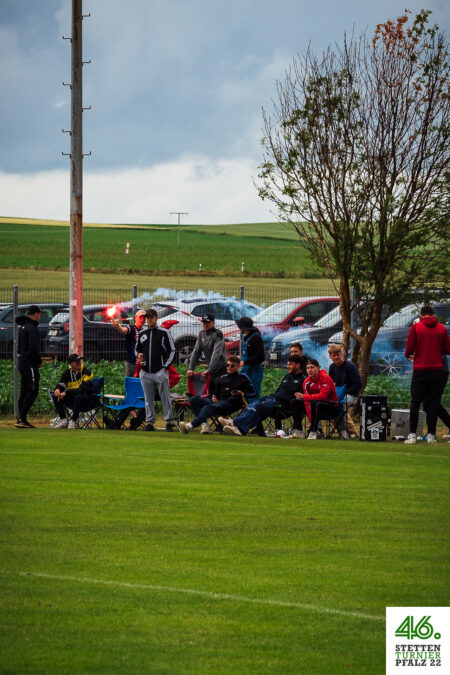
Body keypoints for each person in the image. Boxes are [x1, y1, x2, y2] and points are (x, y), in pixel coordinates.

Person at [221, 354, 306, 437]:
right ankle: (240, 426)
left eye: (290, 364)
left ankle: (235, 424)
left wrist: (300, 396)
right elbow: (279, 391)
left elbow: (301, 399)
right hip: (272, 399)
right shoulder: (287, 376)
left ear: (298, 365)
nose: (288, 366)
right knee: (252, 404)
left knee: (257, 406)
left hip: (281, 406)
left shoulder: (303, 380)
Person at [404, 305, 450, 444]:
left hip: (420, 368)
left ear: (421, 315)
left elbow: (410, 347)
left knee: (415, 401)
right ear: (433, 314)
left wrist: (408, 354)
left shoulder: (416, 327)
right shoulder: (442, 328)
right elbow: (447, 348)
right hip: (437, 369)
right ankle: (431, 435)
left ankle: (412, 434)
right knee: (433, 403)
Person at [179, 355, 256, 434]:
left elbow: (253, 393)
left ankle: (190, 426)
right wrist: (214, 397)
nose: (229, 367)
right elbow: (215, 393)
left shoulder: (243, 377)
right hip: (219, 402)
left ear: (238, 367)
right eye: (228, 365)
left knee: (207, 408)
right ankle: (204, 424)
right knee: (194, 399)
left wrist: (242, 393)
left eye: (232, 365)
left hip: (231, 403)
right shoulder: (222, 378)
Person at [135, 308, 176, 432]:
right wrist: (138, 355)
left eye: (151, 317)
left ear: (156, 318)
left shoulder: (164, 332)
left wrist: (166, 366)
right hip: (145, 372)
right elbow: (137, 349)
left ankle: (168, 422)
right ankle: (149, 423)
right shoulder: (142, 333)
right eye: (147, 317)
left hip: (160, 371)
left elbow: (173, 350)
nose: (149, 319)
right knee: (148, 399)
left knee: (165, 398)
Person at [52, 354, 97, 429]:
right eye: (76, 361)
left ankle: (73, 421)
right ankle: (64, 421)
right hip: (73, 400)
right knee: (55, 396)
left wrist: (66, 392)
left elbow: (83, 389)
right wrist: (57, 390)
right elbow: (61, 384)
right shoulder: (67, 373)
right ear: (70, 364)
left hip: (87, 400)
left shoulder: (87, 372)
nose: (79, 362)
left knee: (79, 396)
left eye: (80, 360)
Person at [297, 358, 338, 440]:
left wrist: (304, 396)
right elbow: (307, 402)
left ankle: (314, 431)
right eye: (307, 368)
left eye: (312, 367)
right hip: (316, 407)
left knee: (315, 403)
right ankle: (297, 430)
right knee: (295, 402)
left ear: (318, 368)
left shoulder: (325, 378)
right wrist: (311, 421)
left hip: (331, 407)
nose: (309, 370)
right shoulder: (306, 382)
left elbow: (322, 396)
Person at [15, 305, 42, 428]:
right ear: (36, 314)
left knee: (24, 391)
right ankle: (22, 418)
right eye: (39, 314)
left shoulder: (23, 326)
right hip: (29, 363)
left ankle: (21, 418)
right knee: (33, 390)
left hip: (22, 362)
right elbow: (33, 347)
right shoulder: (31, 328)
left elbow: (20, 348)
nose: (39, 317)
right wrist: (38, 361)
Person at [328, 343, 362, 439]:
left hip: (351, 395)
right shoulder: (332, 367)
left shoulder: (350, 366)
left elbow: (358, 384)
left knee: (341, 404)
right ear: (330, 356)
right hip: (338, 394)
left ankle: (343, 431)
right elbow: (330, 383)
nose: (336, 357)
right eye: (334, 355)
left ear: (341, 354)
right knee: (331, 404)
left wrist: (345, 392)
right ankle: (343, 431)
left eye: (338, 354)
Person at [187, 313, 227, 392]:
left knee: (220, 393)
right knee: (210, 393)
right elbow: (196, 351)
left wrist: (209, 369)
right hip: (210, 370)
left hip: (220, 369)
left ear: (213, 323)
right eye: (204, 322)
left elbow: (216, 353)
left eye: (208, 322)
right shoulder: (201, 334)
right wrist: (191, 368)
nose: (205, 324)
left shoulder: (218, 334)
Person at [111, 308, 146, 376]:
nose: (142, 320)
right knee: (131, 380)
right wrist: (117, 325)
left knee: (143, 379)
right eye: (140, 317)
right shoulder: (131, 328)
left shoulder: (144, 331)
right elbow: (123, 330)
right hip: (131, 362)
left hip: (142, 362)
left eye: (144, 318)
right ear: (135, 318)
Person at [237, 316, 265, 398]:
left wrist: (245, 362)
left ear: (244, 328)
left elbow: (260, 357)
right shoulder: (246, 337)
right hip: (246, 369)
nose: (239, 329)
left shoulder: (256, 338)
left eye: (240, 327)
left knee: (253, 392)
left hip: (254, 371)